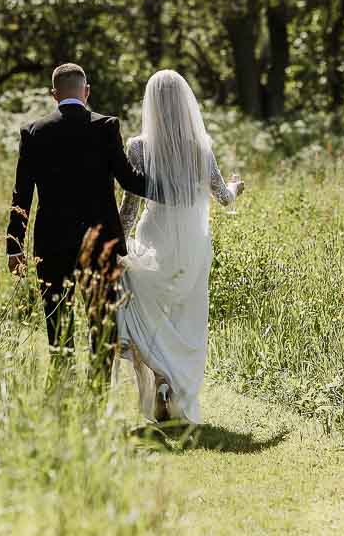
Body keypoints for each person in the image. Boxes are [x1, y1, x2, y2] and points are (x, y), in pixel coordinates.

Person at [117, 69, 244, 424]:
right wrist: (237, 187)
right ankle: (175, 385)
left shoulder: (138, 146)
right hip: (192, 244)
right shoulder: (200, 146)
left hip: (155, 235)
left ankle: (159, 374)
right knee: (187, 317)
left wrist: (115, 242)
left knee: (141, 306)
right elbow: (222, 197)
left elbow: (131, 205)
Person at [7, 63, 148, 376]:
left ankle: (63, 379)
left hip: (51, 241)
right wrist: (171, 186)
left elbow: (22, 195)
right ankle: (97, 388)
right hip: (101, 242)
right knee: (101, 318)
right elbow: (129, 180)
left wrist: (13, 245)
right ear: (87, 92)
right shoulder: (106, 126)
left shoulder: (34, 132)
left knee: (57, 318)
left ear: (54, 95)